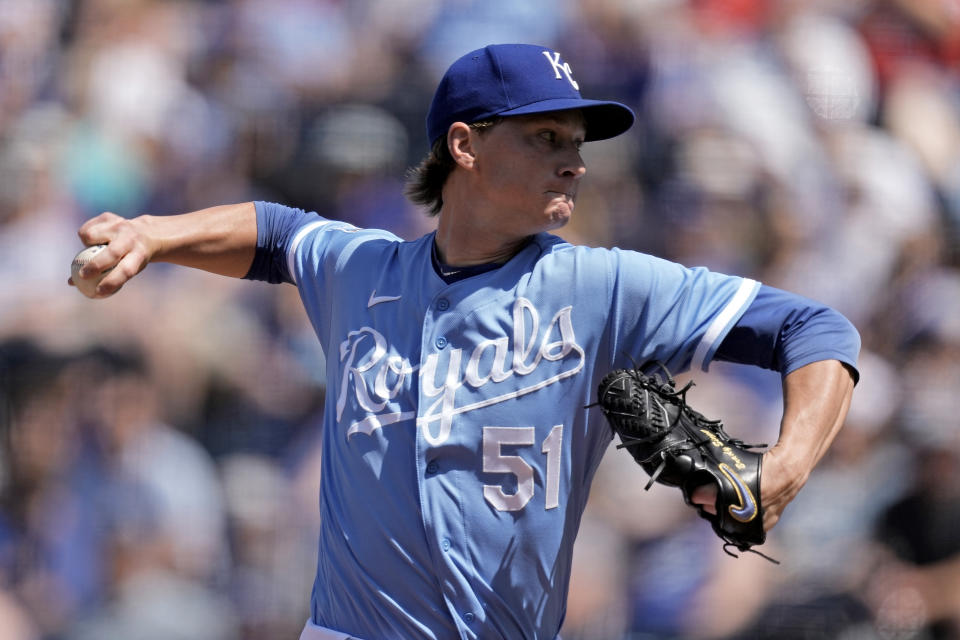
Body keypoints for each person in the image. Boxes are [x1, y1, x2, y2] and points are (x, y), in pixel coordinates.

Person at [70, 44, 859, 640]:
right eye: (546, 138)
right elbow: (278, 234)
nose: (575, 163)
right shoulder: (363, 271)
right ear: (465, 145)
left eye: (577, 141)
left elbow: (814, 329)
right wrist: (154, 232)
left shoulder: (603, 286)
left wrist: (786, 465)